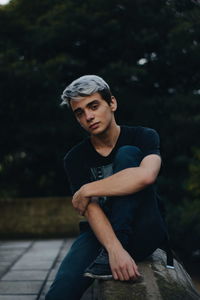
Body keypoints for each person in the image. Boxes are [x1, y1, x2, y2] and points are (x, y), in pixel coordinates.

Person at [45, 75, 172, 300]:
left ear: (111, 103)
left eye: (94, 106)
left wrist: (86, 189)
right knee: (60, 291)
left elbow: (145, 176)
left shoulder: (143, 136)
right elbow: (91, 209)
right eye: (80, 112)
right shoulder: (75, 158)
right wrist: (114, 249)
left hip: (143, 227)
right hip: (100, 233)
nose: (88, 117)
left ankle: (118, 242)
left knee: (128, 153)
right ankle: (113, 247)